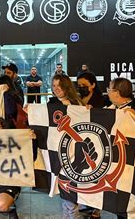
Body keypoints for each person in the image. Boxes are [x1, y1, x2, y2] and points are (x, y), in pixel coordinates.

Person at [47, 74, 83, 218]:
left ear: (66, 86)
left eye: (59, 85)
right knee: (65, 190)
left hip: (73, 152)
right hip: (57, 151)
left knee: (69, 192)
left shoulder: (76, 104)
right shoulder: (52, 104)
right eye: (54, 85)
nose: (56, 89)